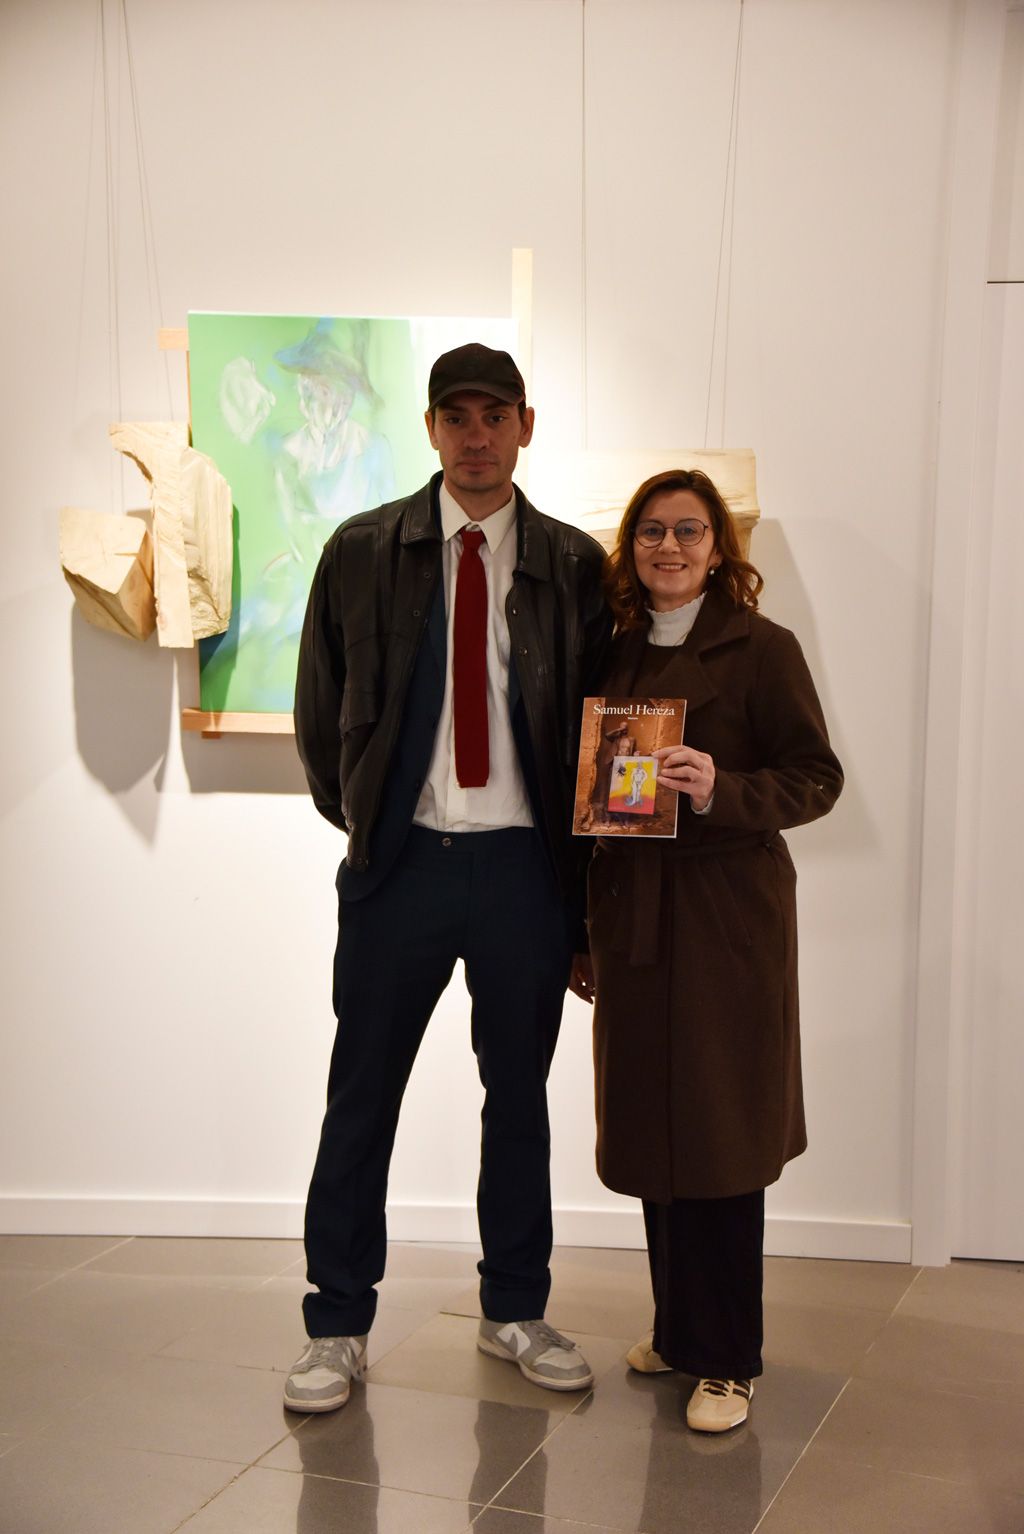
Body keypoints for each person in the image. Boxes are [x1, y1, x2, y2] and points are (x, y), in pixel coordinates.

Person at [286, 342, 613, 1413]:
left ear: (526, 426)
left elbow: (597, 729)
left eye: (494, 416)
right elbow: (319, 715)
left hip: (526, 872)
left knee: (518, 1099)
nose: (476, 437)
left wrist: (578, 893)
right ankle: (336, 1324)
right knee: (361, 1097)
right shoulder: (360, 550)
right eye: (456, 417)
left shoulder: (573, 566)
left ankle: (514, 1307)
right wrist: (374, 831)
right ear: (430, 428)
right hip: (403, 870)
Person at [573, 468, 842, 1433]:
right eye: (652, 531)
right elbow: (589, 798)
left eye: (689, 530)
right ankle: (679, 1332)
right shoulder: (611, 652)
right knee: (654, 1128)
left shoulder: (764, 649)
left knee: (720, 1135)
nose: (670, 548)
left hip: (727, 919)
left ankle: (728, 1359)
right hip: (634, 914)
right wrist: (583, 935)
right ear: (631, 547)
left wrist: (722, 787)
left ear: (719, 547)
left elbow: (816, 779)